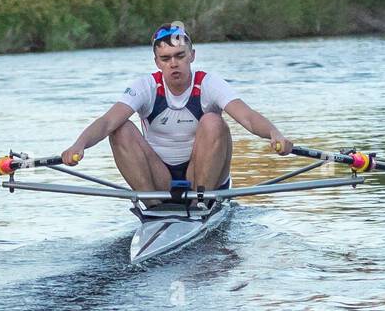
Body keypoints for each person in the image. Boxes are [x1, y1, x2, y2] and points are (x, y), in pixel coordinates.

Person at [61, 23, 291, 200]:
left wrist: (274, 134)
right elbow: (107, 122)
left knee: (213, 121)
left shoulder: (209, 84)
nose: (174, 64)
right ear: (157, 62)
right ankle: (153, 207)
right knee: (120, 128)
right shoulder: (145, 86)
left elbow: (247, 117)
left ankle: (202, 202)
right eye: (166, 58)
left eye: (180, 56)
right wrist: (79, 145)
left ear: (192, 55)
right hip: (159, 178)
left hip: (203, 174)